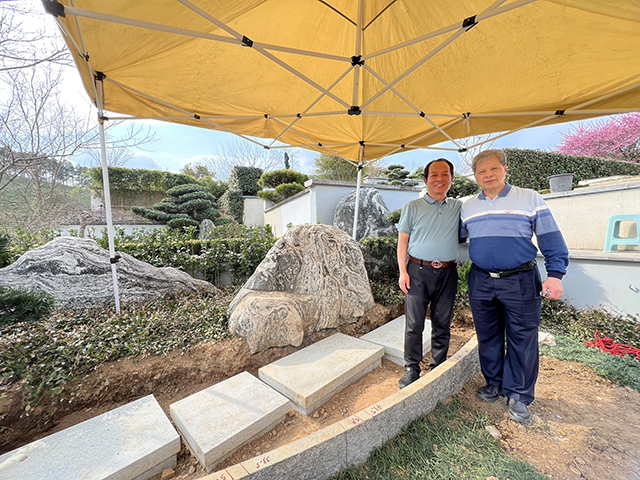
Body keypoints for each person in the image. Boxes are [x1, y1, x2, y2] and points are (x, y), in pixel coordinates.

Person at [460, 149, 569, 424]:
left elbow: (551, 238)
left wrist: (555, 274)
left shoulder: (529, 198)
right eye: (482, 171)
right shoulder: (467, 206)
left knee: (523, 337)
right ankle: (494, 383)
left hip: (520, 279)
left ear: (505, 170)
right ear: (475, 176)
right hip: (481, 279)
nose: (488, 175)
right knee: (488, 335)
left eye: (493, 169)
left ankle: (518, 394)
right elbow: (457, 235)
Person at [396, 158, 462, 389]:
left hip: (447, 272)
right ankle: (411, 367)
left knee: (442, 322)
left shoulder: (458, 207)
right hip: (417, 271)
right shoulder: (412, 207)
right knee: (414, 323)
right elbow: (402, 241)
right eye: (434, 175)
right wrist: (403, 272)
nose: (439, 179)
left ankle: (438, 366)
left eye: (445, 174)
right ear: (426, 180)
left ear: (451, 179)